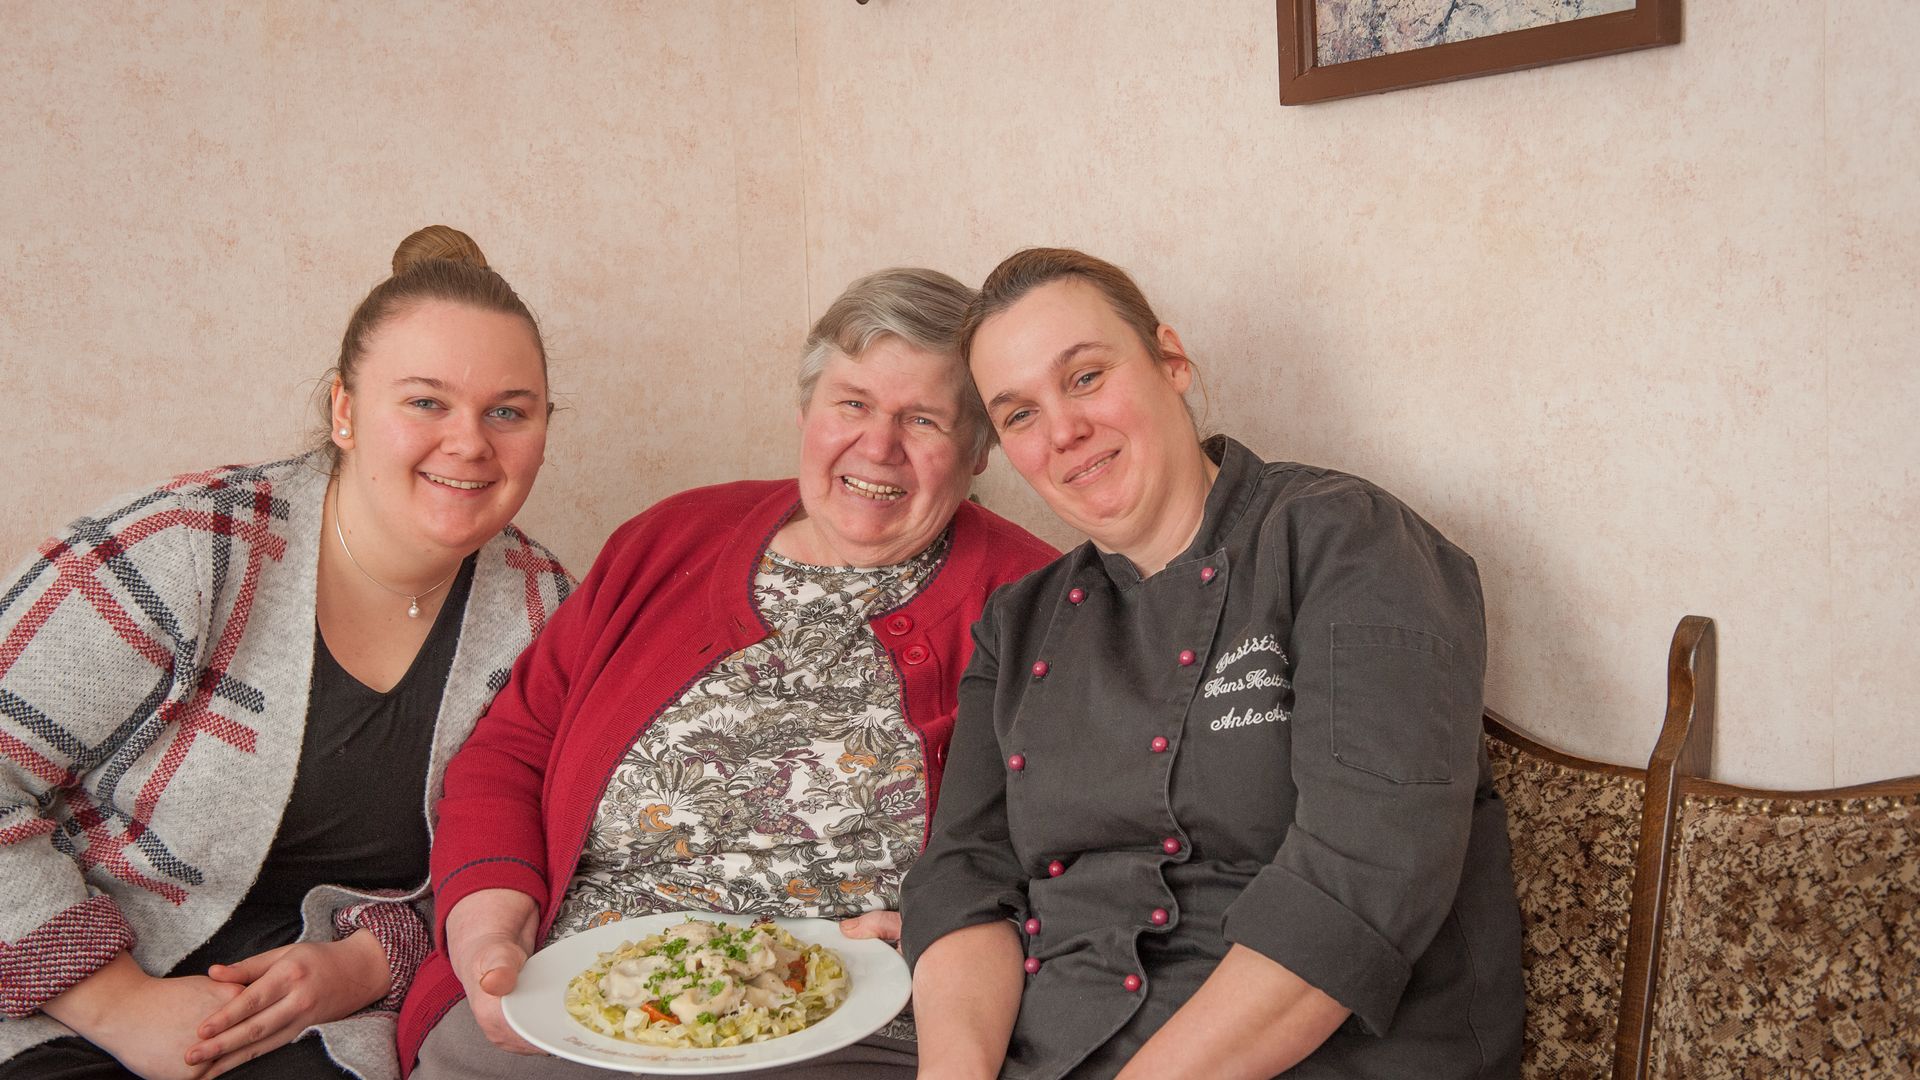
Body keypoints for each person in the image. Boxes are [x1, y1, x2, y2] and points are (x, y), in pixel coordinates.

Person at [400, 267, 1058, 1079]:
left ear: (979, 449)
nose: (878, 446)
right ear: (806, 412)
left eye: (923, 419)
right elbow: (510, 753)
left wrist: (969, 933)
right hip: (580, 1004)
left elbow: (1097, 847)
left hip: (852, 1029)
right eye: (852, 404)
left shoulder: (1036, 603)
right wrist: (489, 935)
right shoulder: (668, 540)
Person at [901, 248, 1525, 1079]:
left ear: (1171, 361)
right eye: (1019, 415)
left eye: (1085, 377)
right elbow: (964, 877)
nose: (1062, 431)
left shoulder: (1349, 542)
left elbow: (1364, 878)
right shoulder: (1019, 624)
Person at [0, 226, 572, 1080]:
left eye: (508, 412)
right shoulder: (188, 550)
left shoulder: (549, 616)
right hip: (66, 1005)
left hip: (332, 1032)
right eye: (426, 402)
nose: (470, 443)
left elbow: (542, 864)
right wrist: (116, 1004)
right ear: (344, 411)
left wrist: (370, 962)